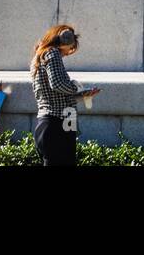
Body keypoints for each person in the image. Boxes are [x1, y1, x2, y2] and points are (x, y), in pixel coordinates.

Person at [30, 24, 100, 166]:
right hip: (57, 124)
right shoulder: (52, 53)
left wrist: (83, 94)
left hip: (51, 123)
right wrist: (75, 86)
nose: (68, 53)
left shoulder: (39, 57)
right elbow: (57, 84)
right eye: (70, 48)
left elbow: (55, 93)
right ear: (64, 39)